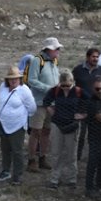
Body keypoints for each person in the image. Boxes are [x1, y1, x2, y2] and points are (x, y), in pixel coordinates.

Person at [24, 38, 61, 172]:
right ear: (49, 49)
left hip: (51, 103)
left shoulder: (54, 62)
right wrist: (50, 89)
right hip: (39, 103)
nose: (58, 51)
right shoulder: (37, 61)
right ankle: (31, 160)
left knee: (46, 131)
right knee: (36, 132)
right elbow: (32, 80)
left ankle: (42, 157)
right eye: (56, 48)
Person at [0, 66, 36, 185]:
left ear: (20, 78)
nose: (13, 81)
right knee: (5, 149)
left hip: (17, 126)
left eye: (16, 78)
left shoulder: (24, 90)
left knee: (17, 151)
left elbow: (32, 108)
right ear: (7, 80)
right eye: (11, 79)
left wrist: (22, 118)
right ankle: (6, 170)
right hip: (3, 124)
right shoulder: (3, 87)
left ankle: (17, 175)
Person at [44, 71, 83, 190]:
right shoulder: (55, 90)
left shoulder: (78, 92)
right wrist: (51, 111)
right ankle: (55, 179)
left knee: (71, 154)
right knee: (56, 153)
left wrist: (82, 115)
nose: (65, 88)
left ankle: (72, 179)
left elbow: (89, 103)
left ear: (72, 82)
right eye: (63, 85)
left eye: (67, 85)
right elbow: (46, 101)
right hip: (57, 125)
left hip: (72, 125)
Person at [73, 47, 101, 160]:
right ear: (87, 57)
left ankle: (93, 156)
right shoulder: (78, 70)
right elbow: (71, 84)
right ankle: (77, 156)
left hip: (96, 108)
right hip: (81, 106)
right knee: (80, 135)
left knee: (94, 135)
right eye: (93, 56)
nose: (95, 59)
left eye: (97, 57)